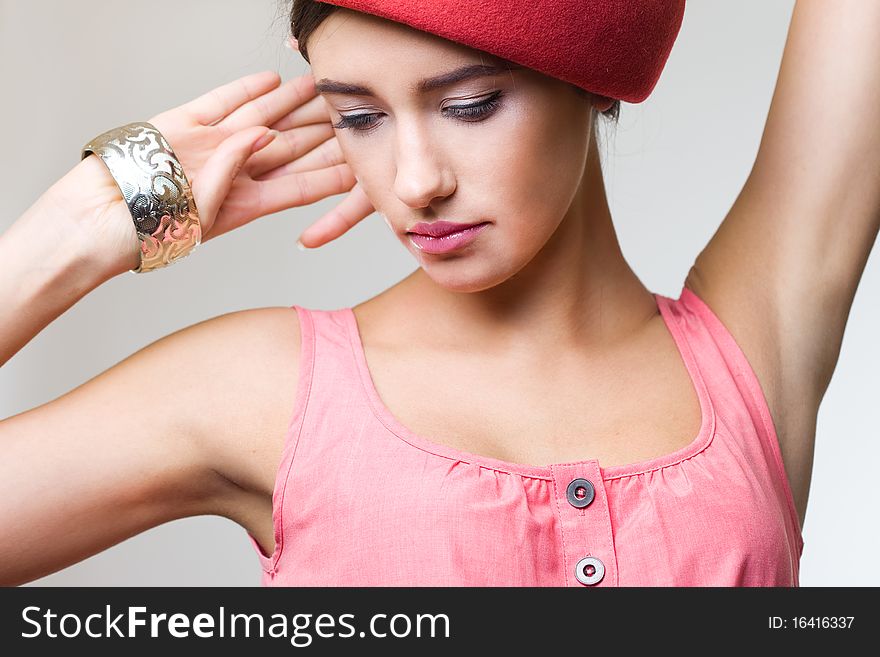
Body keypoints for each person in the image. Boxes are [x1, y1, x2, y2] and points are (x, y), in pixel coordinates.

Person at [1, 0, 877, 586]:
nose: (413, 182)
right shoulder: (263, 390)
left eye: (468, 106)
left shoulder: (751, 350)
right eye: (360, 118)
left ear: (590, 74)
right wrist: (83, 226)